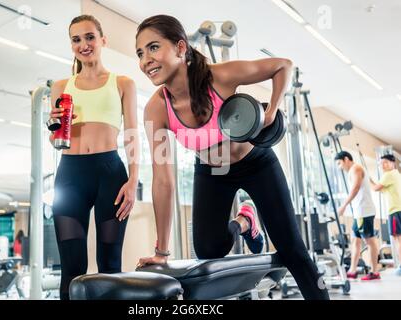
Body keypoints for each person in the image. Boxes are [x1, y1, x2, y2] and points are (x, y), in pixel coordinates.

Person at [135, 14, 329, 300]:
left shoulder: (220, 76)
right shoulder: (156, 109)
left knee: (292, 250)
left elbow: (282, 66)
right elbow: (163, 181)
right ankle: (245, 222)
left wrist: (271, 111)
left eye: (153, 47)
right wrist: (161, 253)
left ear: (179, 48)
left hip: (256, 163)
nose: (145, 59)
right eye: (140, 53)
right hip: (213, 172)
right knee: (208, 250)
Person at [48, 15, 139, 300]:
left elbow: (132, 134)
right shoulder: (61, 86)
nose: (84, 44)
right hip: (70, 176)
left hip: (110, 174)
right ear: (71, 45)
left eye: (89, 37)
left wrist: (134, 179)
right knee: (72, 269)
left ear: (103, 40)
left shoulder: (123, 83)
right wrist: (53, 128)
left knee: (110, 266)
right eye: (76, 39)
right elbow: (56, 142)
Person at [335, 151, 380, 280]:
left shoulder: (356, 168)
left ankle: (374, 271)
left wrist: (343, 206)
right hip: (359, 212)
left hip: (364, 212)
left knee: (369, 240)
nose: (339, 167)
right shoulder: (354, 170)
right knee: (355, 240)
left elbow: (355, 188)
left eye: (339, 163)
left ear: (346, 159)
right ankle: (352, 270)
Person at [369, 154, 401, 276]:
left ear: (393, 163)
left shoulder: (388, 175)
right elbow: (384, 190)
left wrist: (368, 180)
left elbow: (376, 188)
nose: (382, 165)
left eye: (385, 162)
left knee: (398, 239)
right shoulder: (397, 175)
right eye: (380, 164)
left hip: (395, 211)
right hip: (399, 209)